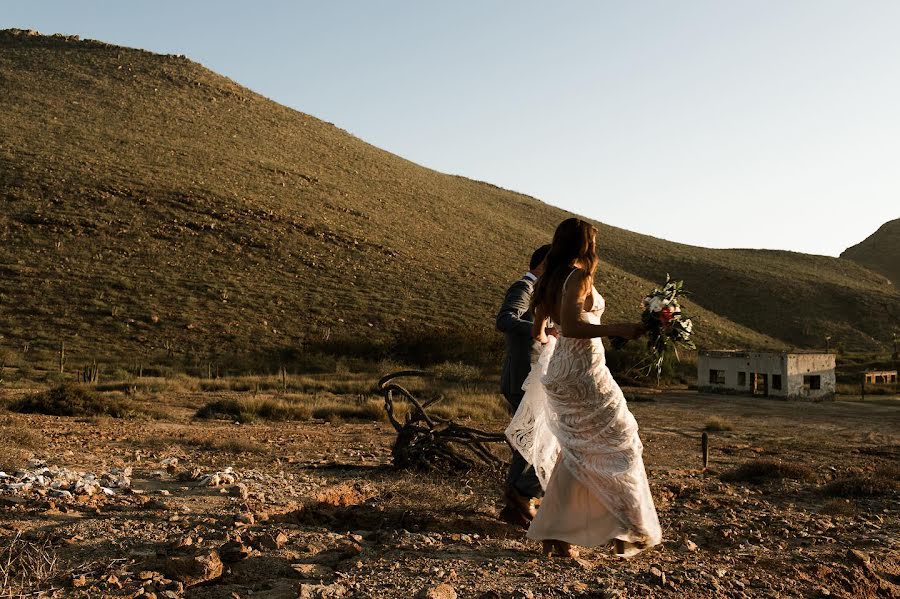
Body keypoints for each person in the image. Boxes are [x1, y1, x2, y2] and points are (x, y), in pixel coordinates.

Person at [509, 217, 662, 558]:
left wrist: (559, 337)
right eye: (592, 241)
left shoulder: (549, 279)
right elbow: (576, 326)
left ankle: (559, 533)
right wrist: (617, 328)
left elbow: (538, 332)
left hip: (563, 370)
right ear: (584, 245)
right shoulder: (578, 276)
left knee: (578, 451)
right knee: (620, 440)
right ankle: (626, 525)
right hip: (584, 371)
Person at [496, 244, 552, 526]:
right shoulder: (524, 288)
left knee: (528, 441)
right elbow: (505, 320)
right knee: (533, 439)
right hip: (521, 378)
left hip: (532, 378)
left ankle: (514, 506)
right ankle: (522, 496)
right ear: (543, 264)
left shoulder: (539, 294)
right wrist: (541, 331)